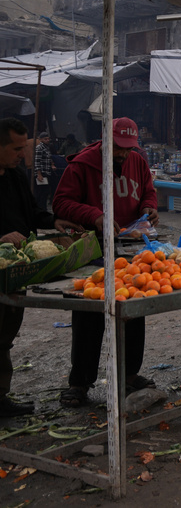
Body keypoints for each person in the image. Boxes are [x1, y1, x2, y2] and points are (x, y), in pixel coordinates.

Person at [53, 117, 159, 407]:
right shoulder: (83, 164)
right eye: (118, 147)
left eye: (128, 148)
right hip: (95, 248)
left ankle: (128, 375)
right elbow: (60, 203)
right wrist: (95, 216)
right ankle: (80, 382)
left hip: (130, 248)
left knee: (134, 308)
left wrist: (150, 206)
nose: (123, 154)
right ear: (105, 140)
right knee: (90, 311)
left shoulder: (137, 161)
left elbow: (148, 190)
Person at [0, 119, 82, 416]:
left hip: (16, 270)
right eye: (16, 148)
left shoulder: (17, 176)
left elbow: (32, 214)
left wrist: (53, 221)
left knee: (4, 336)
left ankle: (1, 399)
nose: (22, 154)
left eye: (23, 147)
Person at [33, 131, 53, 212]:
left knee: (45, 192)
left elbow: (48, 158)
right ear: (40, 139)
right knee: (41, 192)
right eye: (45, 139)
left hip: (47, 171)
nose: (47, 140)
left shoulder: (46, 147)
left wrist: (52, 165)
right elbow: (37, 162)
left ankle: (43, 208)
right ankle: (40, 209)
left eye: (48, 139)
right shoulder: (39, 148)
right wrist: (39, 174)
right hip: (42, 173)